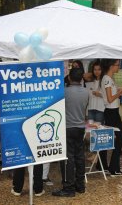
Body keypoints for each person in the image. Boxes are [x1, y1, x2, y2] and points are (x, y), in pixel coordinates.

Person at [52, 68, 88, 197]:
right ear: (81, 78)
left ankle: (68, 188)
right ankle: (80, 186)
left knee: (68, 158)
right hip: (80, 128)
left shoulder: (64, 92)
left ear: (69, 78)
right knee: (80, 157)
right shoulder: (86, 92)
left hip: (67, 128)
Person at [99, 59, 122, 177]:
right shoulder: (107, 79)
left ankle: (113, 167)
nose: (118, 67)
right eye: (117, 65)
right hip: (111, 112)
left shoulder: (109, 79)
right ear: (111, 66)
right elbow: (110, 99)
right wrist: (119, 93)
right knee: (119, 139)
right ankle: (113, 168)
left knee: (119, 139)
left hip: (113, 111)